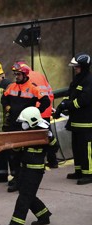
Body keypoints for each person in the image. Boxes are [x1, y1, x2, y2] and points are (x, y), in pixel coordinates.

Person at [1, 107, 57, 225]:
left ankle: (16, 224)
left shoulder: (43, 131)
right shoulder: (27, 132)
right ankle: (43, 215)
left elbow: (54, 148)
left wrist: (50, 137)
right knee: (26, 193)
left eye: (24, 122)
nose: (23, 125)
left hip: (35, 170)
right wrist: (14, 146)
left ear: (32, 121)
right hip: (24, 167)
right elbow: (18, 151)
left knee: (24, 196)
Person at [1, 62, 50, 192]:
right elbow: (3, 98)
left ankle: (22, 178)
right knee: (13, 153)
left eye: (18, 74)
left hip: (25, 127)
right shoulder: (11, 87)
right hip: (13, 125)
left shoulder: (33, 88)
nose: (16, 76)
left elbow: (46, 101)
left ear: (25, 75)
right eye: (15, 74)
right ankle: (16, 177)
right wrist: (8, 108)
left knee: (24, 154)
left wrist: (36, 112)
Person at [53, 52, 92, 185]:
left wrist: (67, 105)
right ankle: (79, 171)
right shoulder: (76, 80)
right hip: (75, 121)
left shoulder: (89, 80)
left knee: (86, 149)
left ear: (84, 67)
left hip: (87, 123)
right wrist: (60, 107)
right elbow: (69, 95)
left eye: (77, 67)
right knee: (77, 147)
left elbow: (83, 100)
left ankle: (89, 174)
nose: (75, 69)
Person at [14, 60, 58, 169]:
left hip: (33, 114)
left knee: (33, 139)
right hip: (45, 111)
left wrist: (35, 111)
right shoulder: (40, 75)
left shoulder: (26, 80)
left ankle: (36, 162)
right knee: (48, 136)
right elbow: (49, 92)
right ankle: (53, 161)